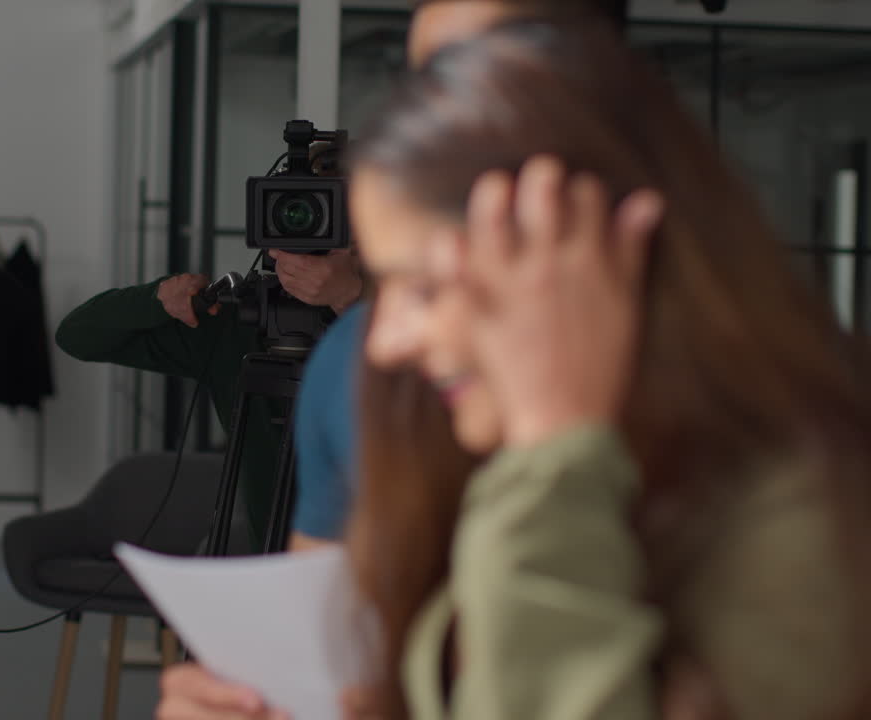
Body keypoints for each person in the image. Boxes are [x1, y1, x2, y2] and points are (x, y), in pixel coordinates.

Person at [348, 19, 871, 720]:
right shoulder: (498, 457)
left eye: (424, 291)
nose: (385, 344)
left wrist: (553, 449)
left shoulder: (809, 525)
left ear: (581, 259)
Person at [158, 2, 628, 716]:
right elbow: (334, 654)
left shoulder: (773, 460)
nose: (391, 337)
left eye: (431, 284)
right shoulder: (350, 361)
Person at [55, 150, 363, 545]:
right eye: (299, 209)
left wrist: (352, 301)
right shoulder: (237, 324)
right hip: (275, 565)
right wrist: (157, 299)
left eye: (337, 215)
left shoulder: (409, 319)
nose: (316, 228)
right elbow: (78, 335)